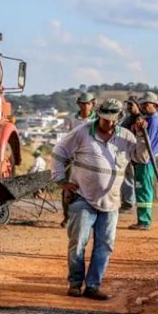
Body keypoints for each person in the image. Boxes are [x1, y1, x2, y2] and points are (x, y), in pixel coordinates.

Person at [52, 98, 149, 300]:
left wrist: (142, 136)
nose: (110, 124)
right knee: (78, 241)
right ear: (99, 115)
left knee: (105, 245)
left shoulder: (127, 136)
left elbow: (141, 158)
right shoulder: (82, 132)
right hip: (82, 197)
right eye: (106, 119)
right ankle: (75, 283)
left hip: (111, 201)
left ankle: (93, 285)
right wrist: (61, 180)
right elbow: (59, 152)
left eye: (114, 120)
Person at [60, 92, 98, 227]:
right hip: (73, 157)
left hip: (90, 158)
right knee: (68, 188)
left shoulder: (97, 120)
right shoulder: (73, 118)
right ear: (78, 104)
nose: (85, 106)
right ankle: (67, 217)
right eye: (82, 103)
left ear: (93, 104)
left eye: (88, 104)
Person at [129, 92, 158, 230]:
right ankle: (142, 219)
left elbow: (145, 140)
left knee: (143, 191)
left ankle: (144, 221)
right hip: (145, 161)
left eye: (145, 104)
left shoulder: (152, 121)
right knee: (141, 190)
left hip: (146, 161)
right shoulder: (151, 119)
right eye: (142, 104)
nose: (143, 106)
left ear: (154, 105)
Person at [119, 96, 142, 213]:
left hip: (134, 152)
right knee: (126, 177)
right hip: (125, 151)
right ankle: (127, 201)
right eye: (127, 105)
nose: (128, 107)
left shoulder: (140, 119)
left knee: (129, 178)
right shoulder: (128, 119)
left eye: (131, 105)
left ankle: (128, 203)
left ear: (137, 105)